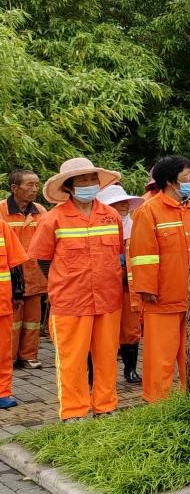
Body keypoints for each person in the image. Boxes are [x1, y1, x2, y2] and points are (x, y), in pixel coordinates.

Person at [27, 157, 125, 421]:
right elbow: (42, 258)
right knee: (72, 360)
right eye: (83, 180)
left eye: (92, 179)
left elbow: (117, 253)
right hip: (70, 302)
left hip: (108, 300)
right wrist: (62, 283)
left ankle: (106, 407)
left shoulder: (111, 216)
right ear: (69, 187)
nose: (89, 184)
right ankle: (74, 412)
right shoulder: (53, 219)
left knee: (106, 358)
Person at [129, 155, 190, 403]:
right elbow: (142, 254)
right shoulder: (149, 210)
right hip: (162, 298)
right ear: (170, 181)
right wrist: (147, 289)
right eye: (186, 176)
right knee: (161, 356)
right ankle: (157, 403)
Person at [97, 185, 144, 385]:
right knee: (102, 329)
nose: (124, 205)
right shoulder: (99, 228)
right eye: (118, 203)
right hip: (105, 284)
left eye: (125, 202)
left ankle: (130, 369)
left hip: (128, 286)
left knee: (130, 328)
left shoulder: (136, 227)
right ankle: (97, 373)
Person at [6, 169, 46, 370]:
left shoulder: (40, 210)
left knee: (32, 320)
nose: (34, 189)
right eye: (29, 185)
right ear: (15, 188)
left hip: (35, 275)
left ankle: (28, 356)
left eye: (37, 185)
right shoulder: (2, 210)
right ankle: (8, 357)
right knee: (11, 320)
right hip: (10, 276)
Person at [0, 201, 30, 410]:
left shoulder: (1, 226)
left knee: (3, 351)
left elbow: (15, 263)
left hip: (1, 303)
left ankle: (2, 392)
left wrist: (18, 291)